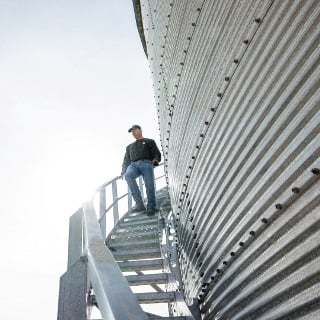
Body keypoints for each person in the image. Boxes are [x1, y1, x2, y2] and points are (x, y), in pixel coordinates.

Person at [121, 125, 162, 216]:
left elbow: (156, 153)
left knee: (149, 184)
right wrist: (123, 170)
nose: (133, 132)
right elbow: (126, 159)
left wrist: (156, 160)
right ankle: (139, 204)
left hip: (146, 163)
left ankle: (151, 207)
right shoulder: (129, 147)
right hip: (133, 165)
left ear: (140, 130)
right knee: (128, 176)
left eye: (135, 130)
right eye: (132, 131)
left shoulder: (149, 141)